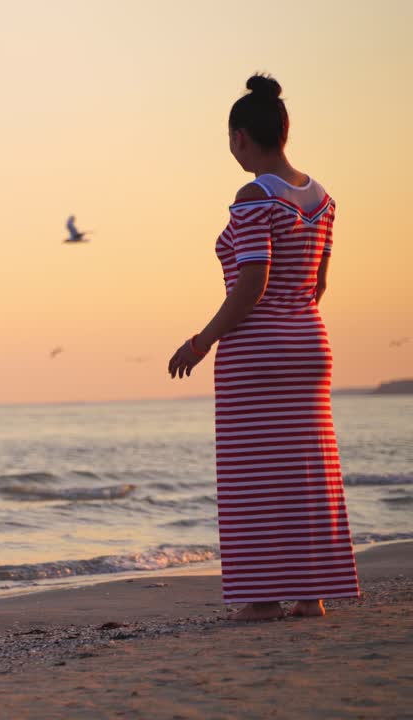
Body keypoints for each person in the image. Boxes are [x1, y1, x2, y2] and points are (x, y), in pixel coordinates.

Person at [167, 74, 360, 621]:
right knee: (306, 469)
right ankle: (311, 593)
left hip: (258, 352)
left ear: (239, 138)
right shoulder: (321, 200)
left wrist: (202, 341)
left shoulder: (253, 197)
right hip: (308, 344)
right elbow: (317, 285)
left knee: (254, 474)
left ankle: (262, 596)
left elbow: (251, 285)